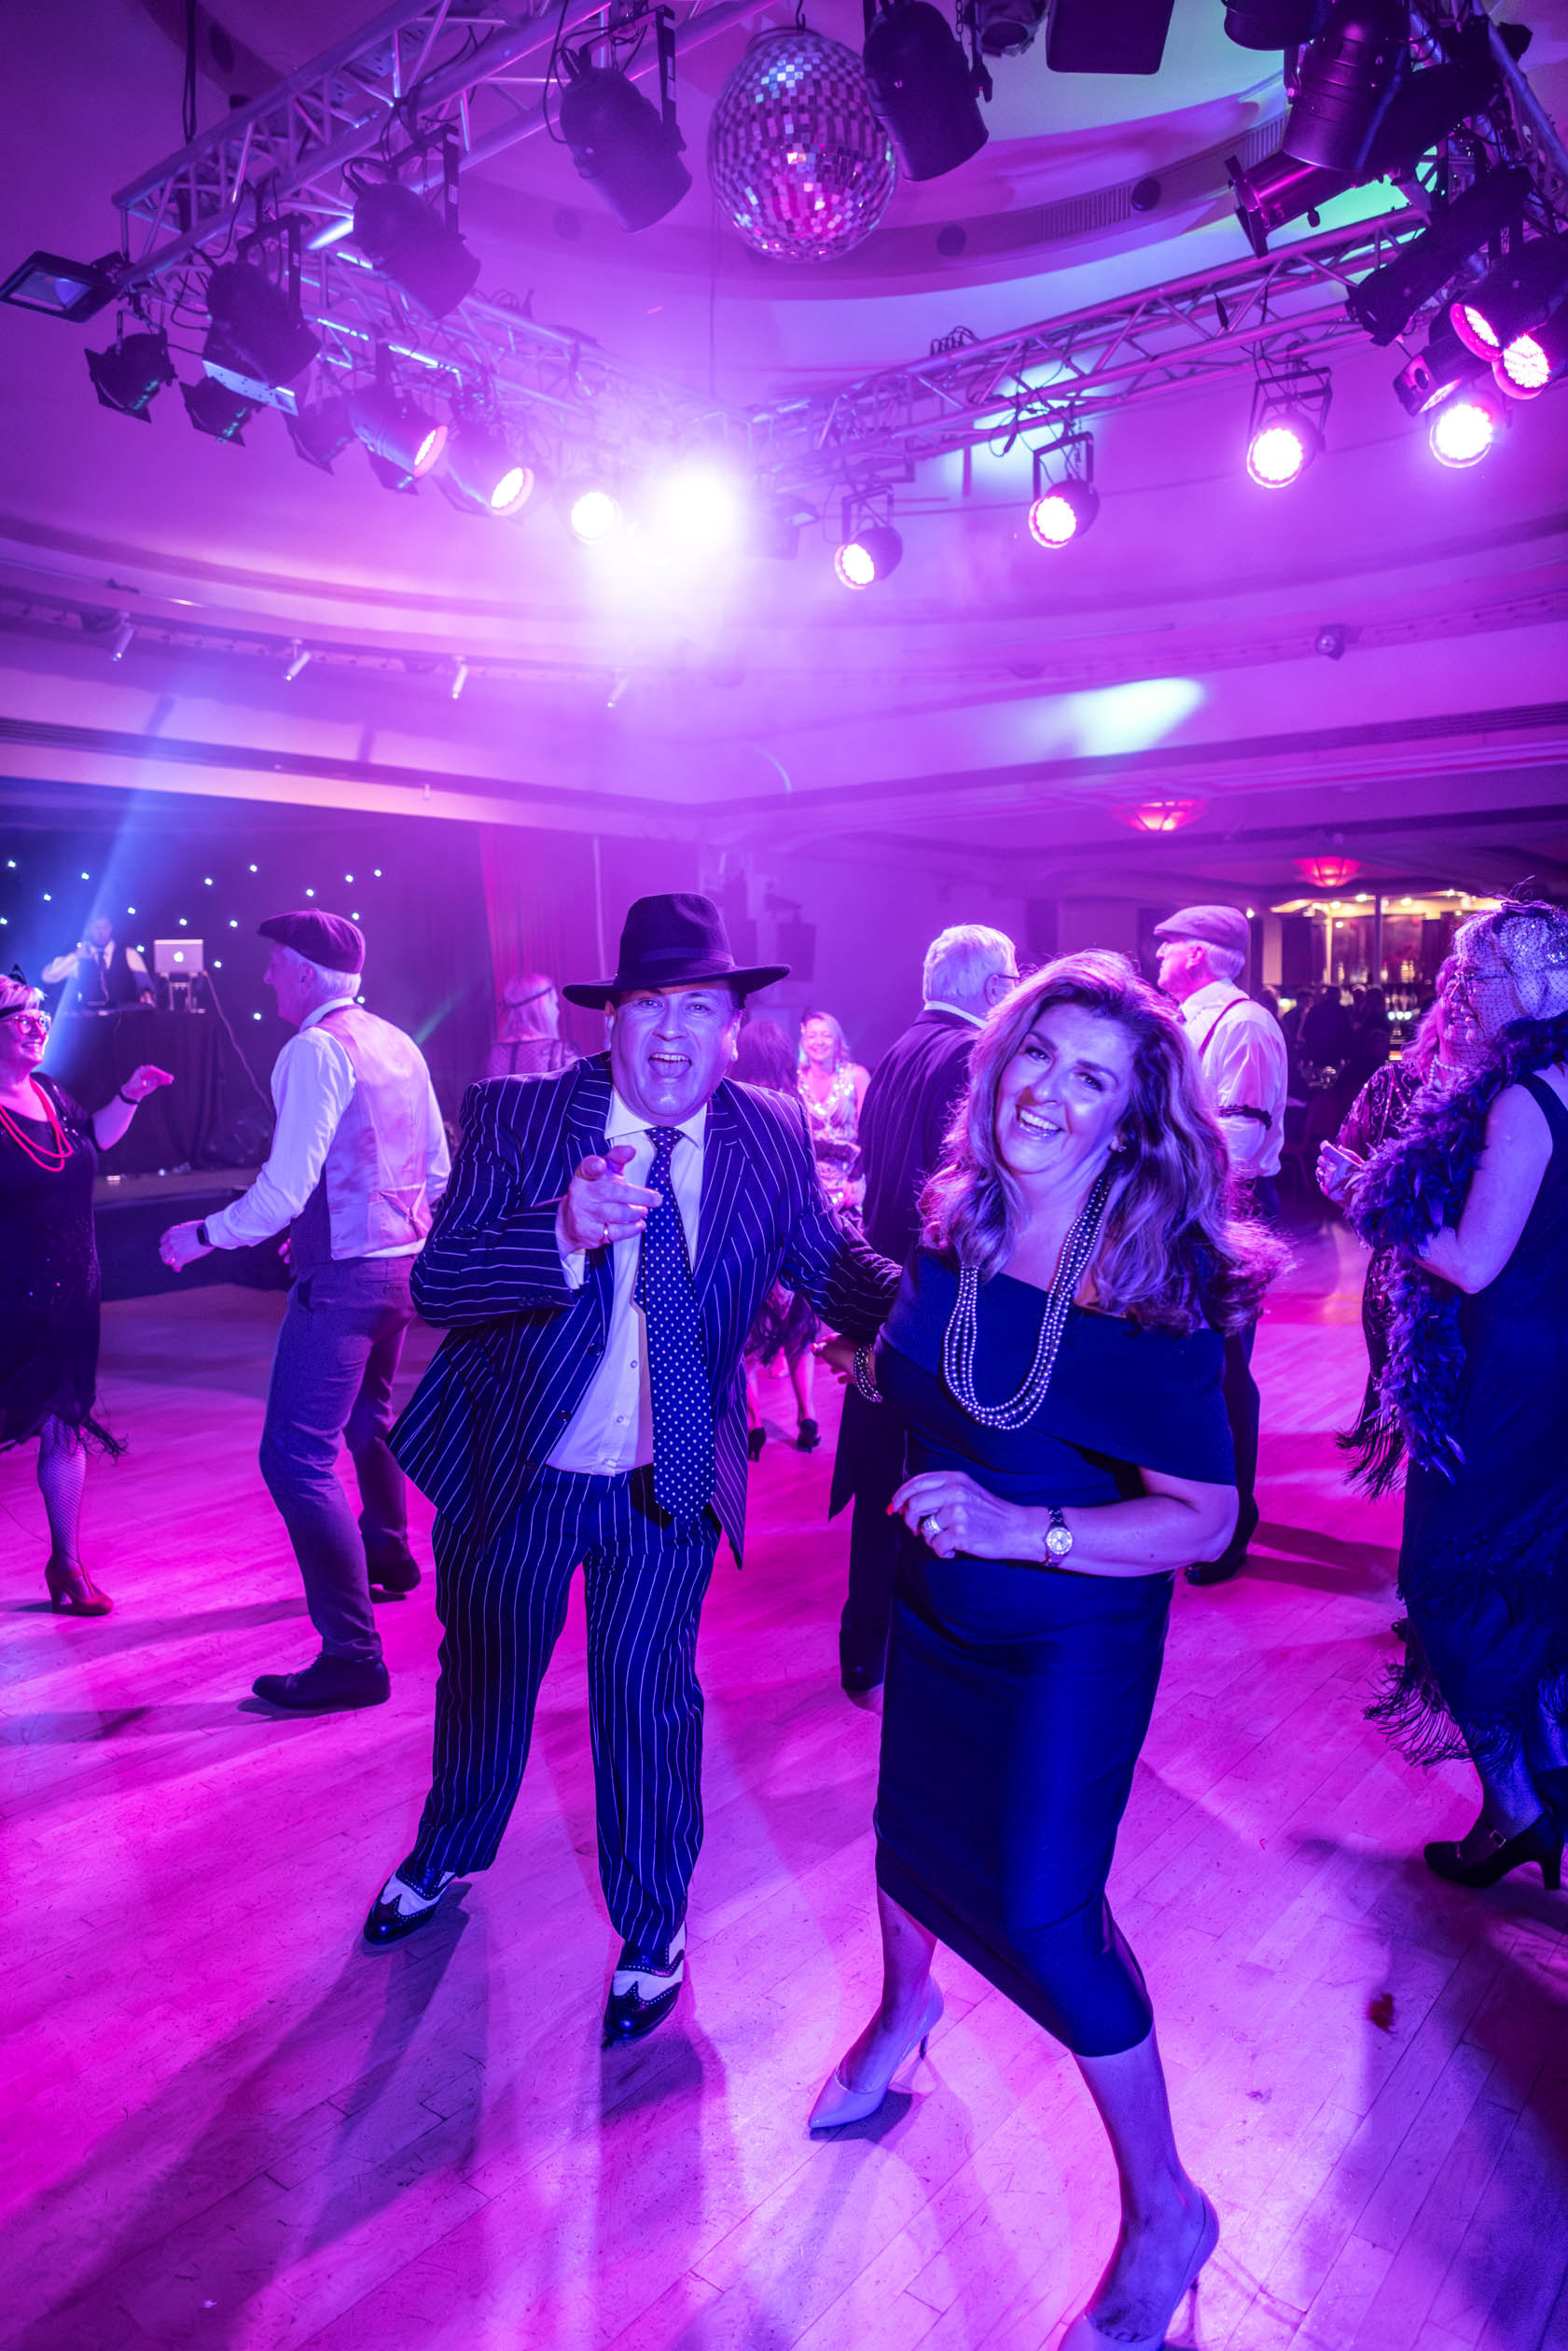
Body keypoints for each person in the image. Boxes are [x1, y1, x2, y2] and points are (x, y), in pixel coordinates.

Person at [812, 953, 1279, 2351]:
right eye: (1037, 1055)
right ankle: (903, 2018)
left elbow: (1204, 1519)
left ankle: (1168, 2213)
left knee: (1042, 1914)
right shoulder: (957, 1220)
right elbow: (938, 1378)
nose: (1048, 1094)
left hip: (1063, 1642)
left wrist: (1024, 1529)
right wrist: (862, 1366)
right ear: (998, 1059)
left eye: (1092, 1080)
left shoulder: (1147, 1292)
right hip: (936, 1608)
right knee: (905, 1837)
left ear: (1130, 1120)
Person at [367, 893, 900, 2048]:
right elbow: (439, 1284)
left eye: (699, 1008)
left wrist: (957, 1312)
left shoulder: (767, 1130)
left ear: (731, 1028)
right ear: (609, 1019)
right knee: (487, 1677)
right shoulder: (517, 1114)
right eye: (650, 1005)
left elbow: (830, 1268)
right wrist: (560, 1230)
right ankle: (447, 1849)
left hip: (668, 1481)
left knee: (649, 1700)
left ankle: (652, 1929)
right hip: (518, 1467)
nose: (671, 1032)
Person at [1332, 902, 1568, 1893]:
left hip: (1503, 1376)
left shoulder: (1522, 1098)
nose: (1462, 994)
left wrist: (1364, 1195)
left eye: (1478, 977)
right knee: (1531, 1572)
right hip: (1550, 1363)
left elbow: (1470, 1262)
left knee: (1441, 1583)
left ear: (1536, 987)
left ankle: (1516, 1810)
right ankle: (1547, 1774)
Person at [159, 912, 450, 1712]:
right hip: (402, 1267)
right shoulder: (396, 1041)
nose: (266, 978)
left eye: (275, 964)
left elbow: (282, 1192)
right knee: (368, 1416)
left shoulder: (315, 1049)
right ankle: (388, 1554)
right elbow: (434, 1169)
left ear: (307, 973)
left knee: (294, 1457)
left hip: (348, 1280)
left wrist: (203, 1235)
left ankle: (352, 1657)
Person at [827, 921, 1020, 1698]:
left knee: (883, 1468)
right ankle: (928, 1657)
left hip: (882, 1293)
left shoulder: (897, 1051)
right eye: (1010, 979)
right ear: (991, 987)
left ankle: (863, 1645)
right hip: (939, 1300)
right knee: (939, 1478)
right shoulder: (972, 1054)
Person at [1, 972, 172, 1613]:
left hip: (70, 1298)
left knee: (64, 1426)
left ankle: (67, 1564)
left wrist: (129, 1094)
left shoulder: (48, 1093)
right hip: (8, 1299)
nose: (38, 1024)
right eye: (21, 1015)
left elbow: (95, 1136)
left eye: (40, 1013)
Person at [1154, 904, 1287, 1587]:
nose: (1158, 954)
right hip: (1186, 1207)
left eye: (1168, 944)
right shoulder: (1186, 1020)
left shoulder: (1243, 1024)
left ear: (1198, 954)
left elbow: (1243, 1136)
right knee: (1186, 1365)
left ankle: (1231, 1527)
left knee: (1226, 1369)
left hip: (1221, 1210)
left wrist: (1170, 1187)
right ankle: (1194, 1505)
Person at [735, 1020, 821, 1455]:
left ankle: (754, 1426)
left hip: (748, 1236)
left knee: (748, 1343)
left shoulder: (732, 1102)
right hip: (791, 1232)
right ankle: (807, 1415)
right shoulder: (795, 1103)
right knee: (799, 1335)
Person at [798, 1009, 870, 1216]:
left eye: (826, 1035)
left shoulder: (856, 1076)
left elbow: (869, 1132)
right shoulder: (794, 1081)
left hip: (850, 1187)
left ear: (837, 1041)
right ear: (804, 1042)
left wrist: (857, 1176)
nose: (819, 1042)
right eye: (812, 1036)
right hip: (809, 1189)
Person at [42, 913, 155, 1010]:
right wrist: (74, 955)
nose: (101, 932)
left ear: (111, 928)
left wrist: (147, 997)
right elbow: (49, 977)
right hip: (89, 1020)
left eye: (104, 927)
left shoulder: (128, 953)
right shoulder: (80, 957)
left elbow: (145, 985)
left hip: (124, 1018)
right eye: (96, 928)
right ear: (90, 930)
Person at [485, 971, 578, 1080]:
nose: (557, 1011)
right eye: (554, 1003)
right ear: (542, 1004)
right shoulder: (560, 1053)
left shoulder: (492, 1054)